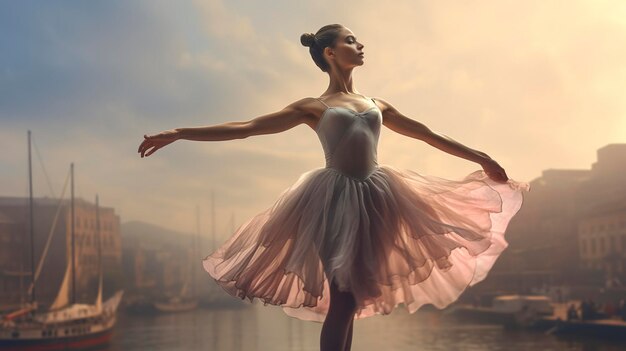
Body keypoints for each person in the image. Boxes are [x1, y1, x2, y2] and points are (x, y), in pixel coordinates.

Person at [138, 24, 530, 351]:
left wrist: (482, 157)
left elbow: (429, 135)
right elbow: (246, 128)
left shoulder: (378, 104)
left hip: (380, 200)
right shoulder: (313, 107)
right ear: (329, 52)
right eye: (350, 40)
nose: (360, 46)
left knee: (353, 297)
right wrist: (180, 132)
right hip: (331, 201)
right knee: (342, 295)